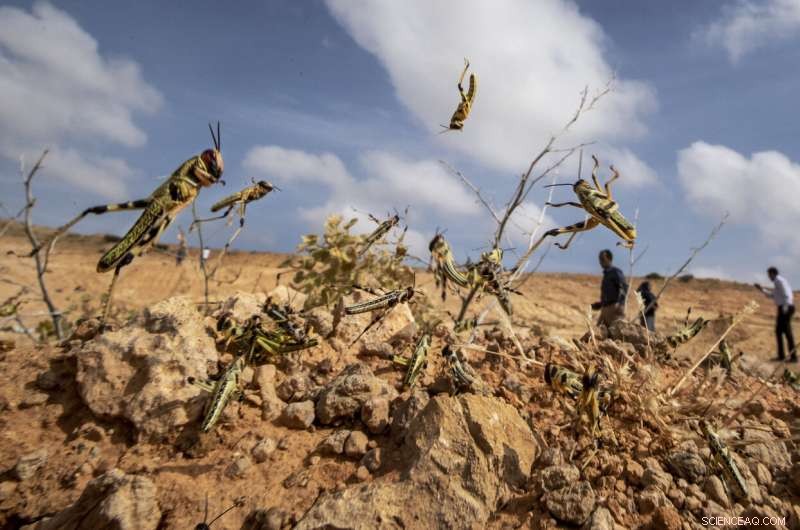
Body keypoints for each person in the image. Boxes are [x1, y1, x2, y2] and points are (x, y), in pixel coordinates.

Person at [755, 267, 796, 362]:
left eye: (769, 275)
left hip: (785, 307)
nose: (769, 277)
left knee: (787, 333)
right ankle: (782, 356)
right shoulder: (777, 283)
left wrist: (785, 308)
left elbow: (787, 295)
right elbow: (772, 295)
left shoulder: (780, 281)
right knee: (779, 332)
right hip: (784, 307)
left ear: (773, 273)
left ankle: (793, 357)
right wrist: (762, 289)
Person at [591, 249, 628, 328]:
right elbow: (609, 294)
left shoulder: (615, 272)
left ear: (609, 259)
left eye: (602, 259)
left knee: (617, 333)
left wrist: (620, 303)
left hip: (614, 308)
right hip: (605, 308)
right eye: (600, 260)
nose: (600, 262)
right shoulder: (606, 274)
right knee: (598, 334)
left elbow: (624, 287)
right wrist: (600, 304)